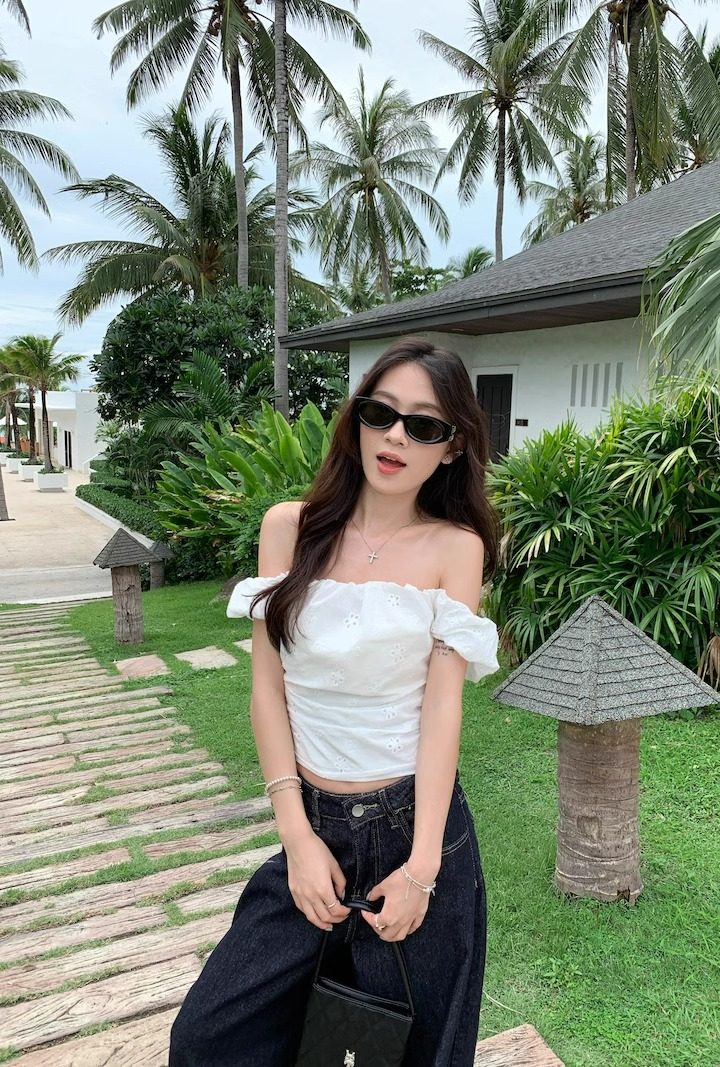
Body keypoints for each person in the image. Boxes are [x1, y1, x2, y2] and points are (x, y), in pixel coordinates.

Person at [169, 337, 500, 1066]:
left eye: (424, 425)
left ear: (452, 447)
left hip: (412, 829)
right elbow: (268, 688)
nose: (396, 437)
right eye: (381, 413)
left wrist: (421, 869)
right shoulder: (290, 527)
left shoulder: (455, 547)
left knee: (419, 1051)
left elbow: (443, 709)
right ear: (357, 419)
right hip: (313, 820)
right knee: (210, 1036)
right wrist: (295, 834)